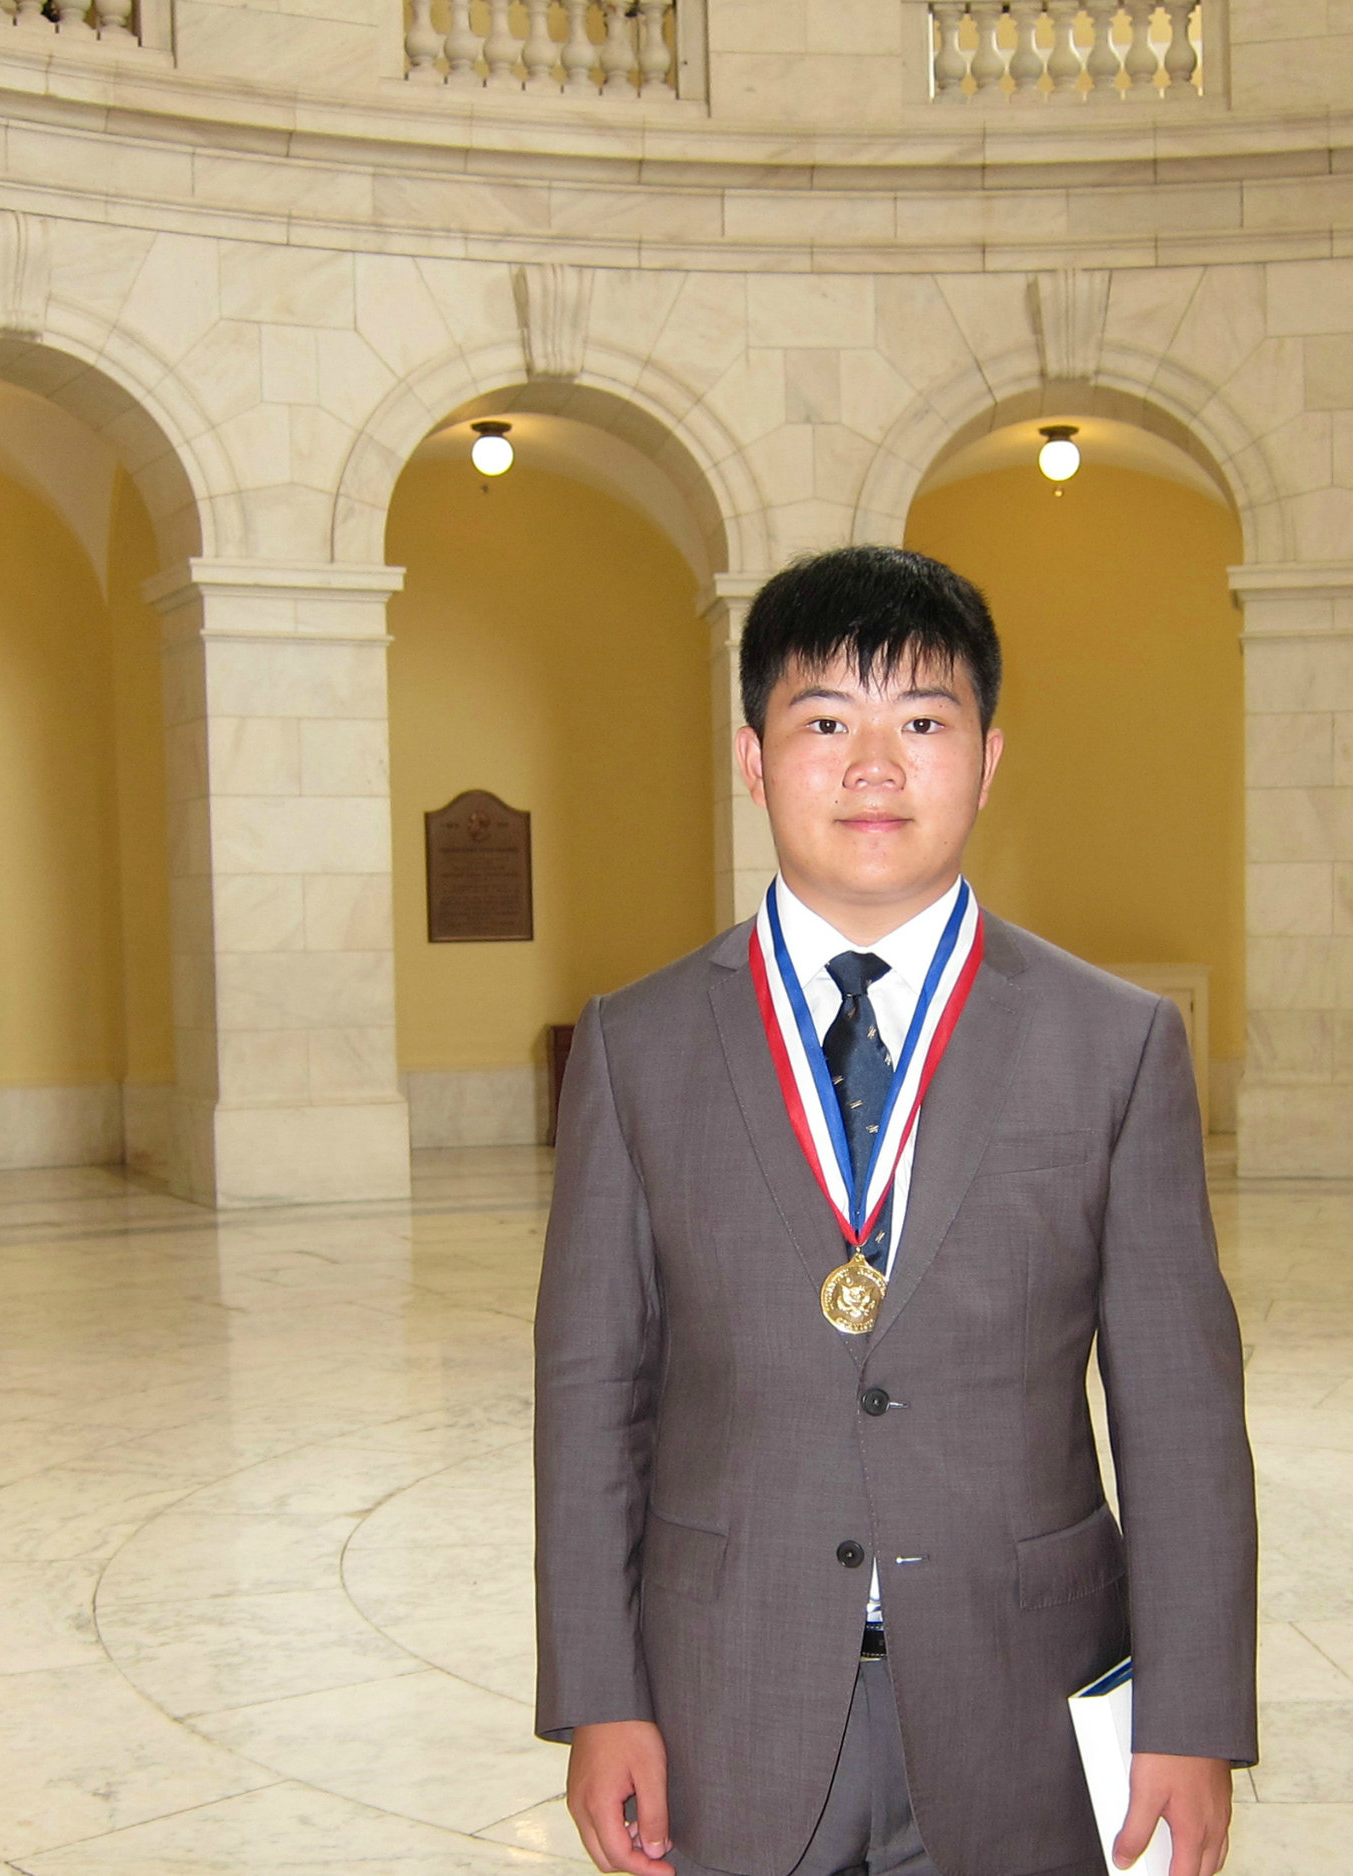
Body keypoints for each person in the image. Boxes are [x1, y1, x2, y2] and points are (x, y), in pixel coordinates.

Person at [533, 545, 1257, 1876]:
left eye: (921, 722)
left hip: (1022, 1690)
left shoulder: (1115, 1045)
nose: (875, 767)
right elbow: (593, 1393)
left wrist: (1193, 1715)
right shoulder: (640, 1049)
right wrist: (599, 1693)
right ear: (753, 759)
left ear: (985, 760)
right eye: (825, 723)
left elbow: (1180, 1410)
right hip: (724, 1688)